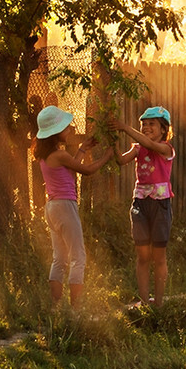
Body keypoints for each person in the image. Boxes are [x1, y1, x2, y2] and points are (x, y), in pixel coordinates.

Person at [33, 105, 111, 310]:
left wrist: (83, 149)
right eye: (65, 127)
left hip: (52, 207)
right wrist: (107, 157)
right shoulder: (59, 154)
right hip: (65, 206)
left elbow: (71, 168)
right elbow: (86, 170)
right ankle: (76, 309)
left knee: (59, 258)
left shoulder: (46, 155)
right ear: (55, 133)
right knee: (78, 257)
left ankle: (56, 307)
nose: (69, 130)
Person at [111, 106, 175, 308]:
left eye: (151, 124)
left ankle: (159, 303)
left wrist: (124, 127)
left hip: (160, 204)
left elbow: (148, 143)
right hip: (140, 202)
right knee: (142, 256)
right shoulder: (138, 148)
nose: (146, 127)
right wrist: (113, 140)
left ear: (163, 129)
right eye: (144, 124)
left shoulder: (166, 149)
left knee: (159, 256)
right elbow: (121, 160)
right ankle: (145, 301)